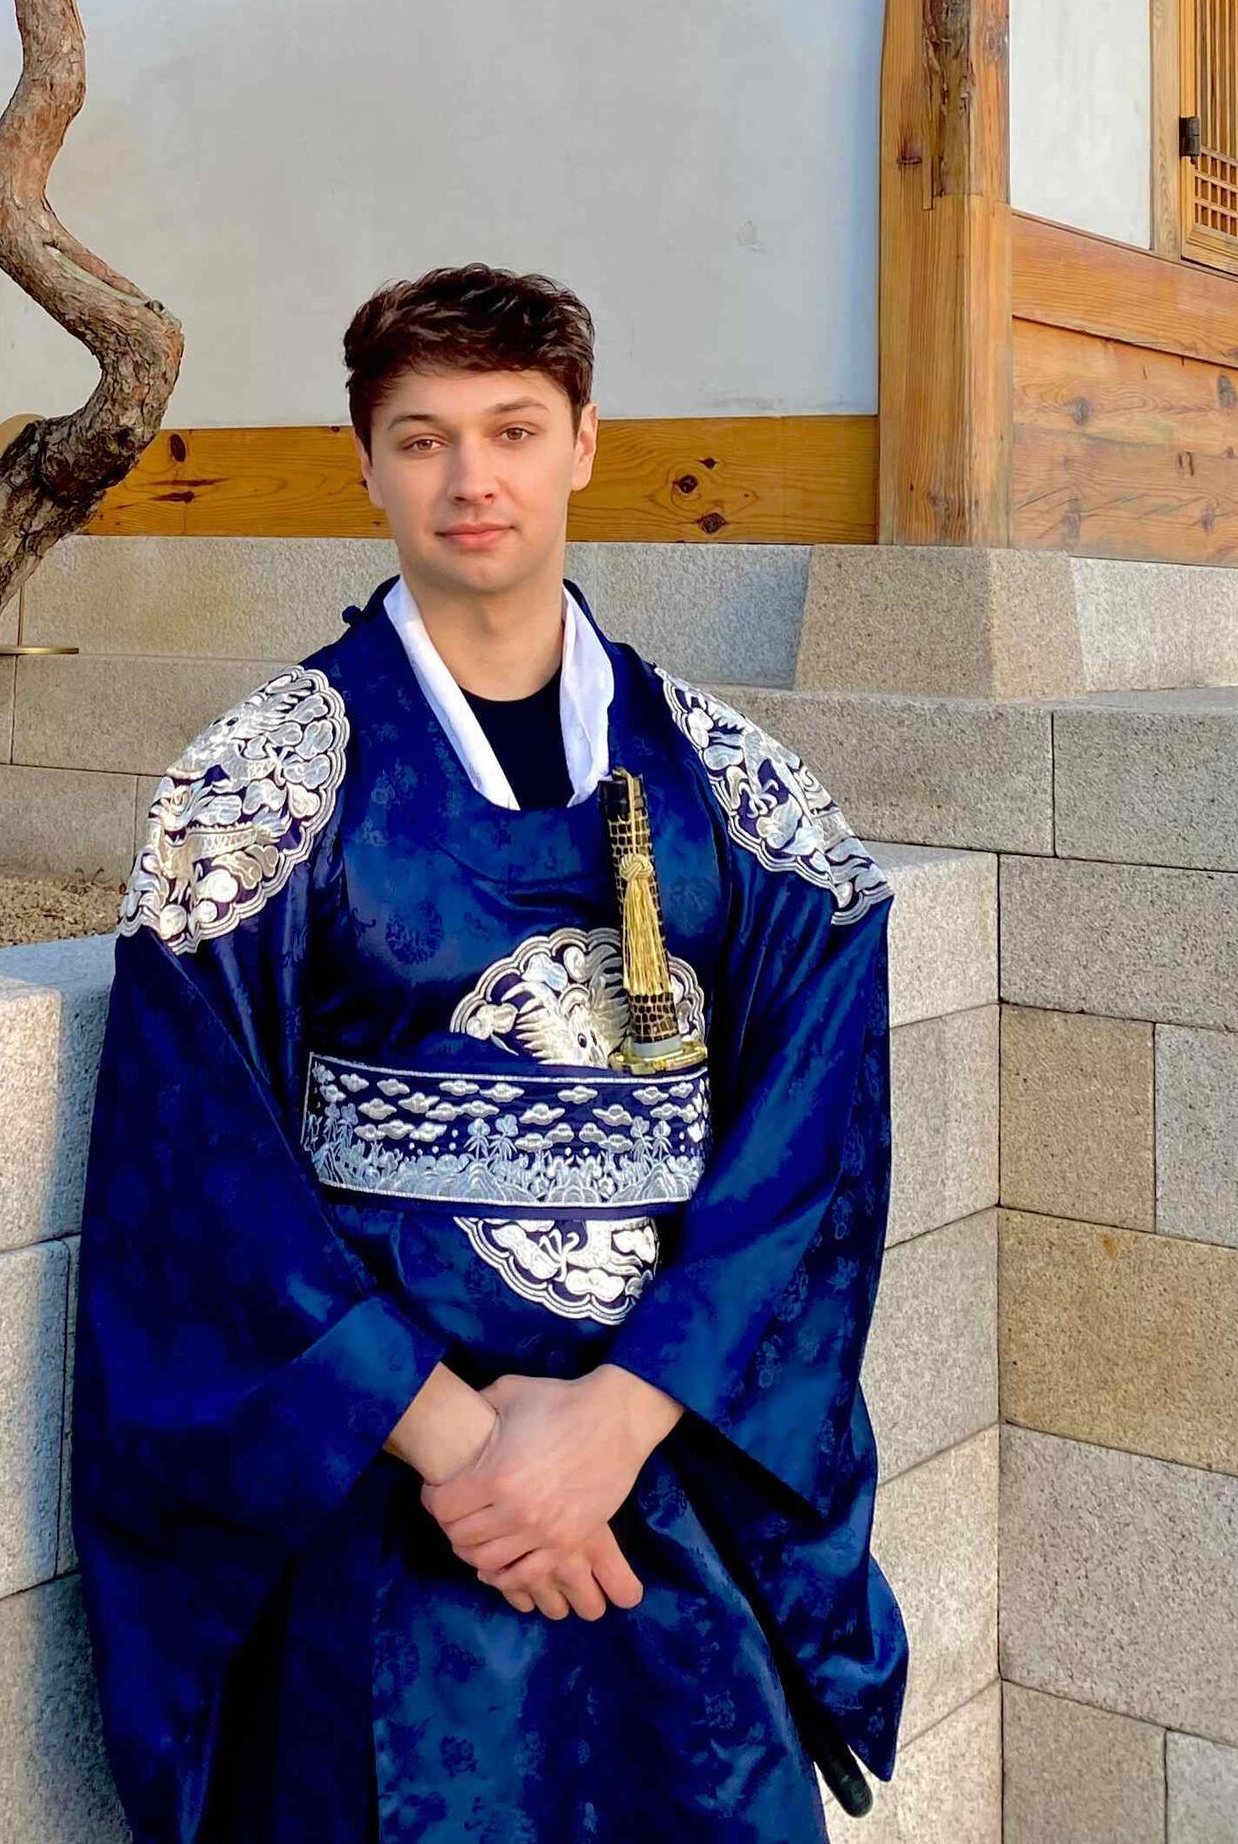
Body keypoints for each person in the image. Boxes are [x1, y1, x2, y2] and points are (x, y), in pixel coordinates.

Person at [70, 264, 908, 1843]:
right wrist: (464, 1447)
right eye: (423, 437)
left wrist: (619, 1418)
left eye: (514, 429)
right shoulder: (258, 785)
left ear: (584, 441)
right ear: (366, 462)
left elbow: (810, 1147)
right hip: (383, 1498)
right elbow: (201, 1175)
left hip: (663, 1483)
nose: (473, 478)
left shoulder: (735, 785)